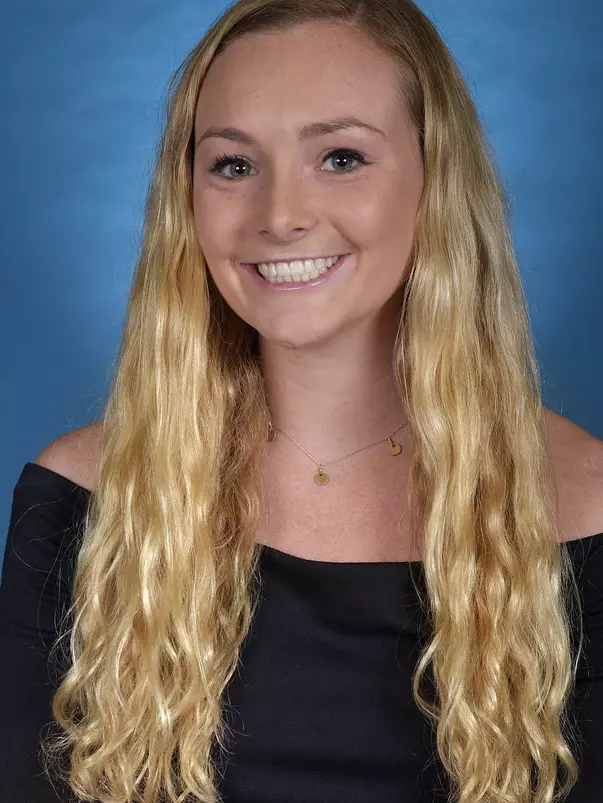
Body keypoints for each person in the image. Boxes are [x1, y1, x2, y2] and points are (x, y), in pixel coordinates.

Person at [1, 0, 603, 800]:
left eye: (341, 157)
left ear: (435, 178)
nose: (280, 215)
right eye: (233, 165)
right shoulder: (82, 498)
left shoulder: (586, 504)